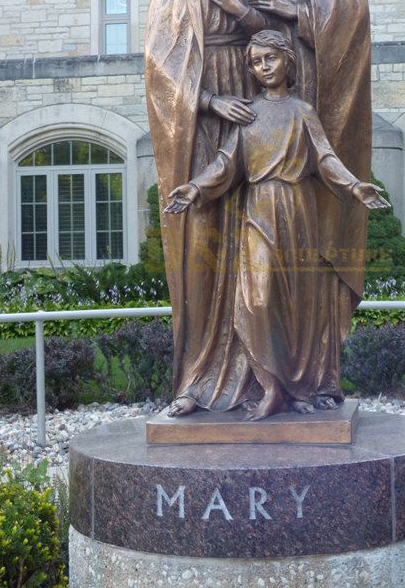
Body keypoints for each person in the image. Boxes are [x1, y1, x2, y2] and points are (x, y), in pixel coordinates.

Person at [150, 0, 373, 405]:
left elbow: (352, 11)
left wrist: (299, 13)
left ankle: (309, 379)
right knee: (222, 244)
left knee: (301, 247)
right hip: (229, 104)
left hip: (307, 102)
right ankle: (224, 375)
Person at [165, 31, 389, 420]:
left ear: (288, 61)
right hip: (259, 211)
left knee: (295, 304)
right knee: (257, 298)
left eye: (269, 58)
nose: (262, 67)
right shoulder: (249, 113)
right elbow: (226, 162)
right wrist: (195, 188)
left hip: (298, 210)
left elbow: (325, 158)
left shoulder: (302, 111)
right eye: (255, 61)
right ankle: (269, 387)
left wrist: (355, 186)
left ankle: (293, 387)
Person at [145, 0, 276, 417]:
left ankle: (254, 376)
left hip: (247, 106)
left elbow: (273, 35)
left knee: (251, 243)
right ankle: (195, 379)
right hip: (201, 118)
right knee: (202, 242)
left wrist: (242, 12)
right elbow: (159, 62)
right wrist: (206, 102)